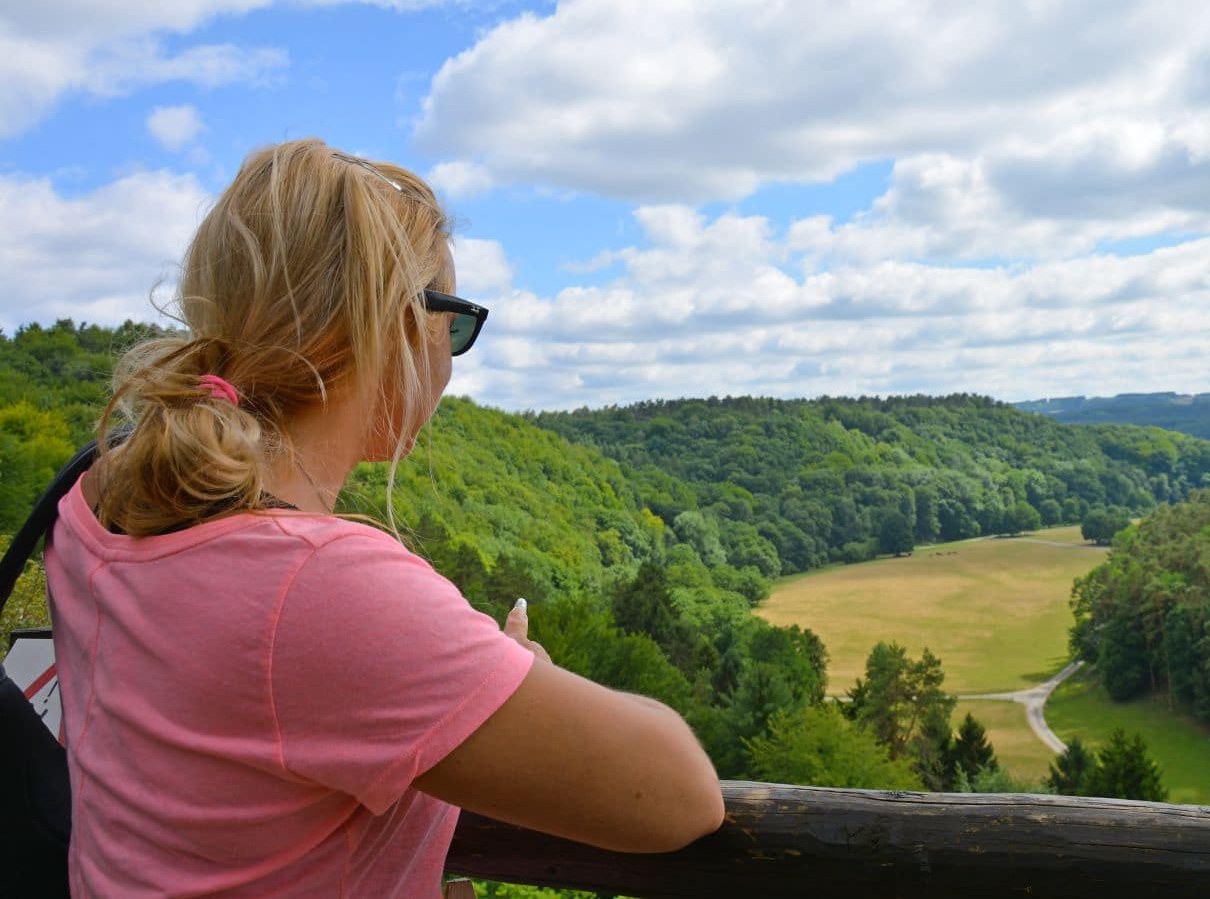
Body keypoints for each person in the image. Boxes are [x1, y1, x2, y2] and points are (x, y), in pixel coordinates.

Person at [43, 139, 724, 897]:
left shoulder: (97, 496)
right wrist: (523, 673)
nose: (451, 358)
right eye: (455, 324)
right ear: (394, 327)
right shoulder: (318, 585)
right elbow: (678, 799)